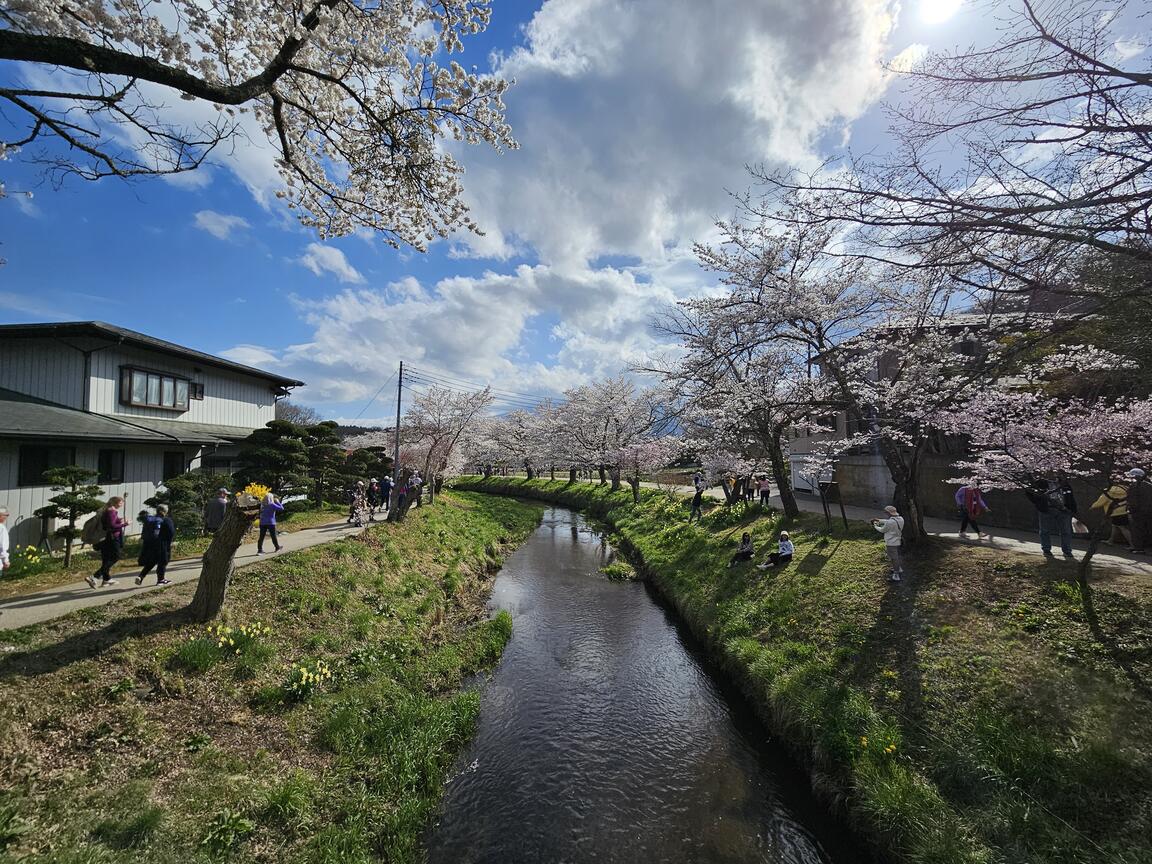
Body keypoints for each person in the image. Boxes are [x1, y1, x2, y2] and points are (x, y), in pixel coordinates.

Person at [1028, 477, 1076, 560]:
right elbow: (1029, 492)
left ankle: (1067, 550)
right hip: (1047, 509)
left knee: (1066, 531)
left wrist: (1073, 509)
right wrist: (1039, 503)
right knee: (1045, 530)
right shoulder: (1040, 482)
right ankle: (1046, 549)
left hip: (1064, 510)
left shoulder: (1064, 484)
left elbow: (1070, 496)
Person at [86, 496, 128, 588]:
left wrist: (119, 520)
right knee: (116, 557)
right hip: (112, 538)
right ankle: (95, 576)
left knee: (106, 558)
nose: (122, 505)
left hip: (105, 538)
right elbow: (112, 526)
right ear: (115, 503)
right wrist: (124, 524)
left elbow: (110, 523)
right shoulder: (111, 511)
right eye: (121, 503)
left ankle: (106, 579)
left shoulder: (107, 510)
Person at [135, 504, 175, 586]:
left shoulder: (151, 519)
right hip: (162, 544)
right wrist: (170, 541)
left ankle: (141, 576)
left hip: (150, 544)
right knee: (163, 561)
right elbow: (171, 532)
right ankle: (161, 580)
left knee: (152, 561)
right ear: (165, 511)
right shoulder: (166, 520)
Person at [1091, 480, 1130, 547]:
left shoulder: (1110, 490)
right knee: (1115, 526)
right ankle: (1110, 540)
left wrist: (1093, 506)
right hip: (1124, 510)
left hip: (1114, 511)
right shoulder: (1126, 489)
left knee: (1122, 528)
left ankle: (1133, 545)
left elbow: (1102, 500)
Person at [872, 505, 905, 582]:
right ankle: (898, 568)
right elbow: (888, 521)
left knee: (894, 558)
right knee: (896, 556)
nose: (885, 513)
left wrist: (875, 525)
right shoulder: (901, 519)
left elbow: (882, 530)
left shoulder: (890, 522)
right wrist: (879, 520)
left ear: (888, 512)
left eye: (886, 512)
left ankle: (896, 574)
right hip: (898, 541)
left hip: (891, 543)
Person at [1124, 468, 1150, 554]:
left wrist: (1130, 509)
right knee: (1147, 529)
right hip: (1148, 510)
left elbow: (1131, 499)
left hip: (1137, 511)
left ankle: (1138, 548)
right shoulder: (1149, 486)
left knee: (1137, 529)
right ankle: (1141, 547)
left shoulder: (1133, 486)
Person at [0, 506, 10, 572]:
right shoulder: (1, 528)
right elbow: (2, 545)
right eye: (6, 515)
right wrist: (5, 560)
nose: (7, 517)